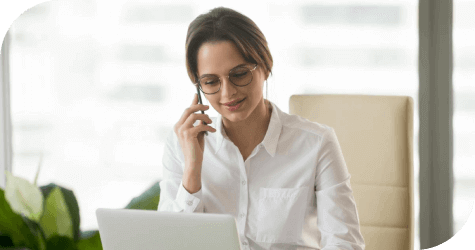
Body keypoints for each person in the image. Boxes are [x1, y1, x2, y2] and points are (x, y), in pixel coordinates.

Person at [157, 6, 365, 250]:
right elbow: (170, 244)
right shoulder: (181, 144)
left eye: (239, 74)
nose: (227, 93)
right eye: (211, 82)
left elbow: (344, 244)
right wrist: (192, 171)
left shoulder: (317, 144)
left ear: (265, 67)